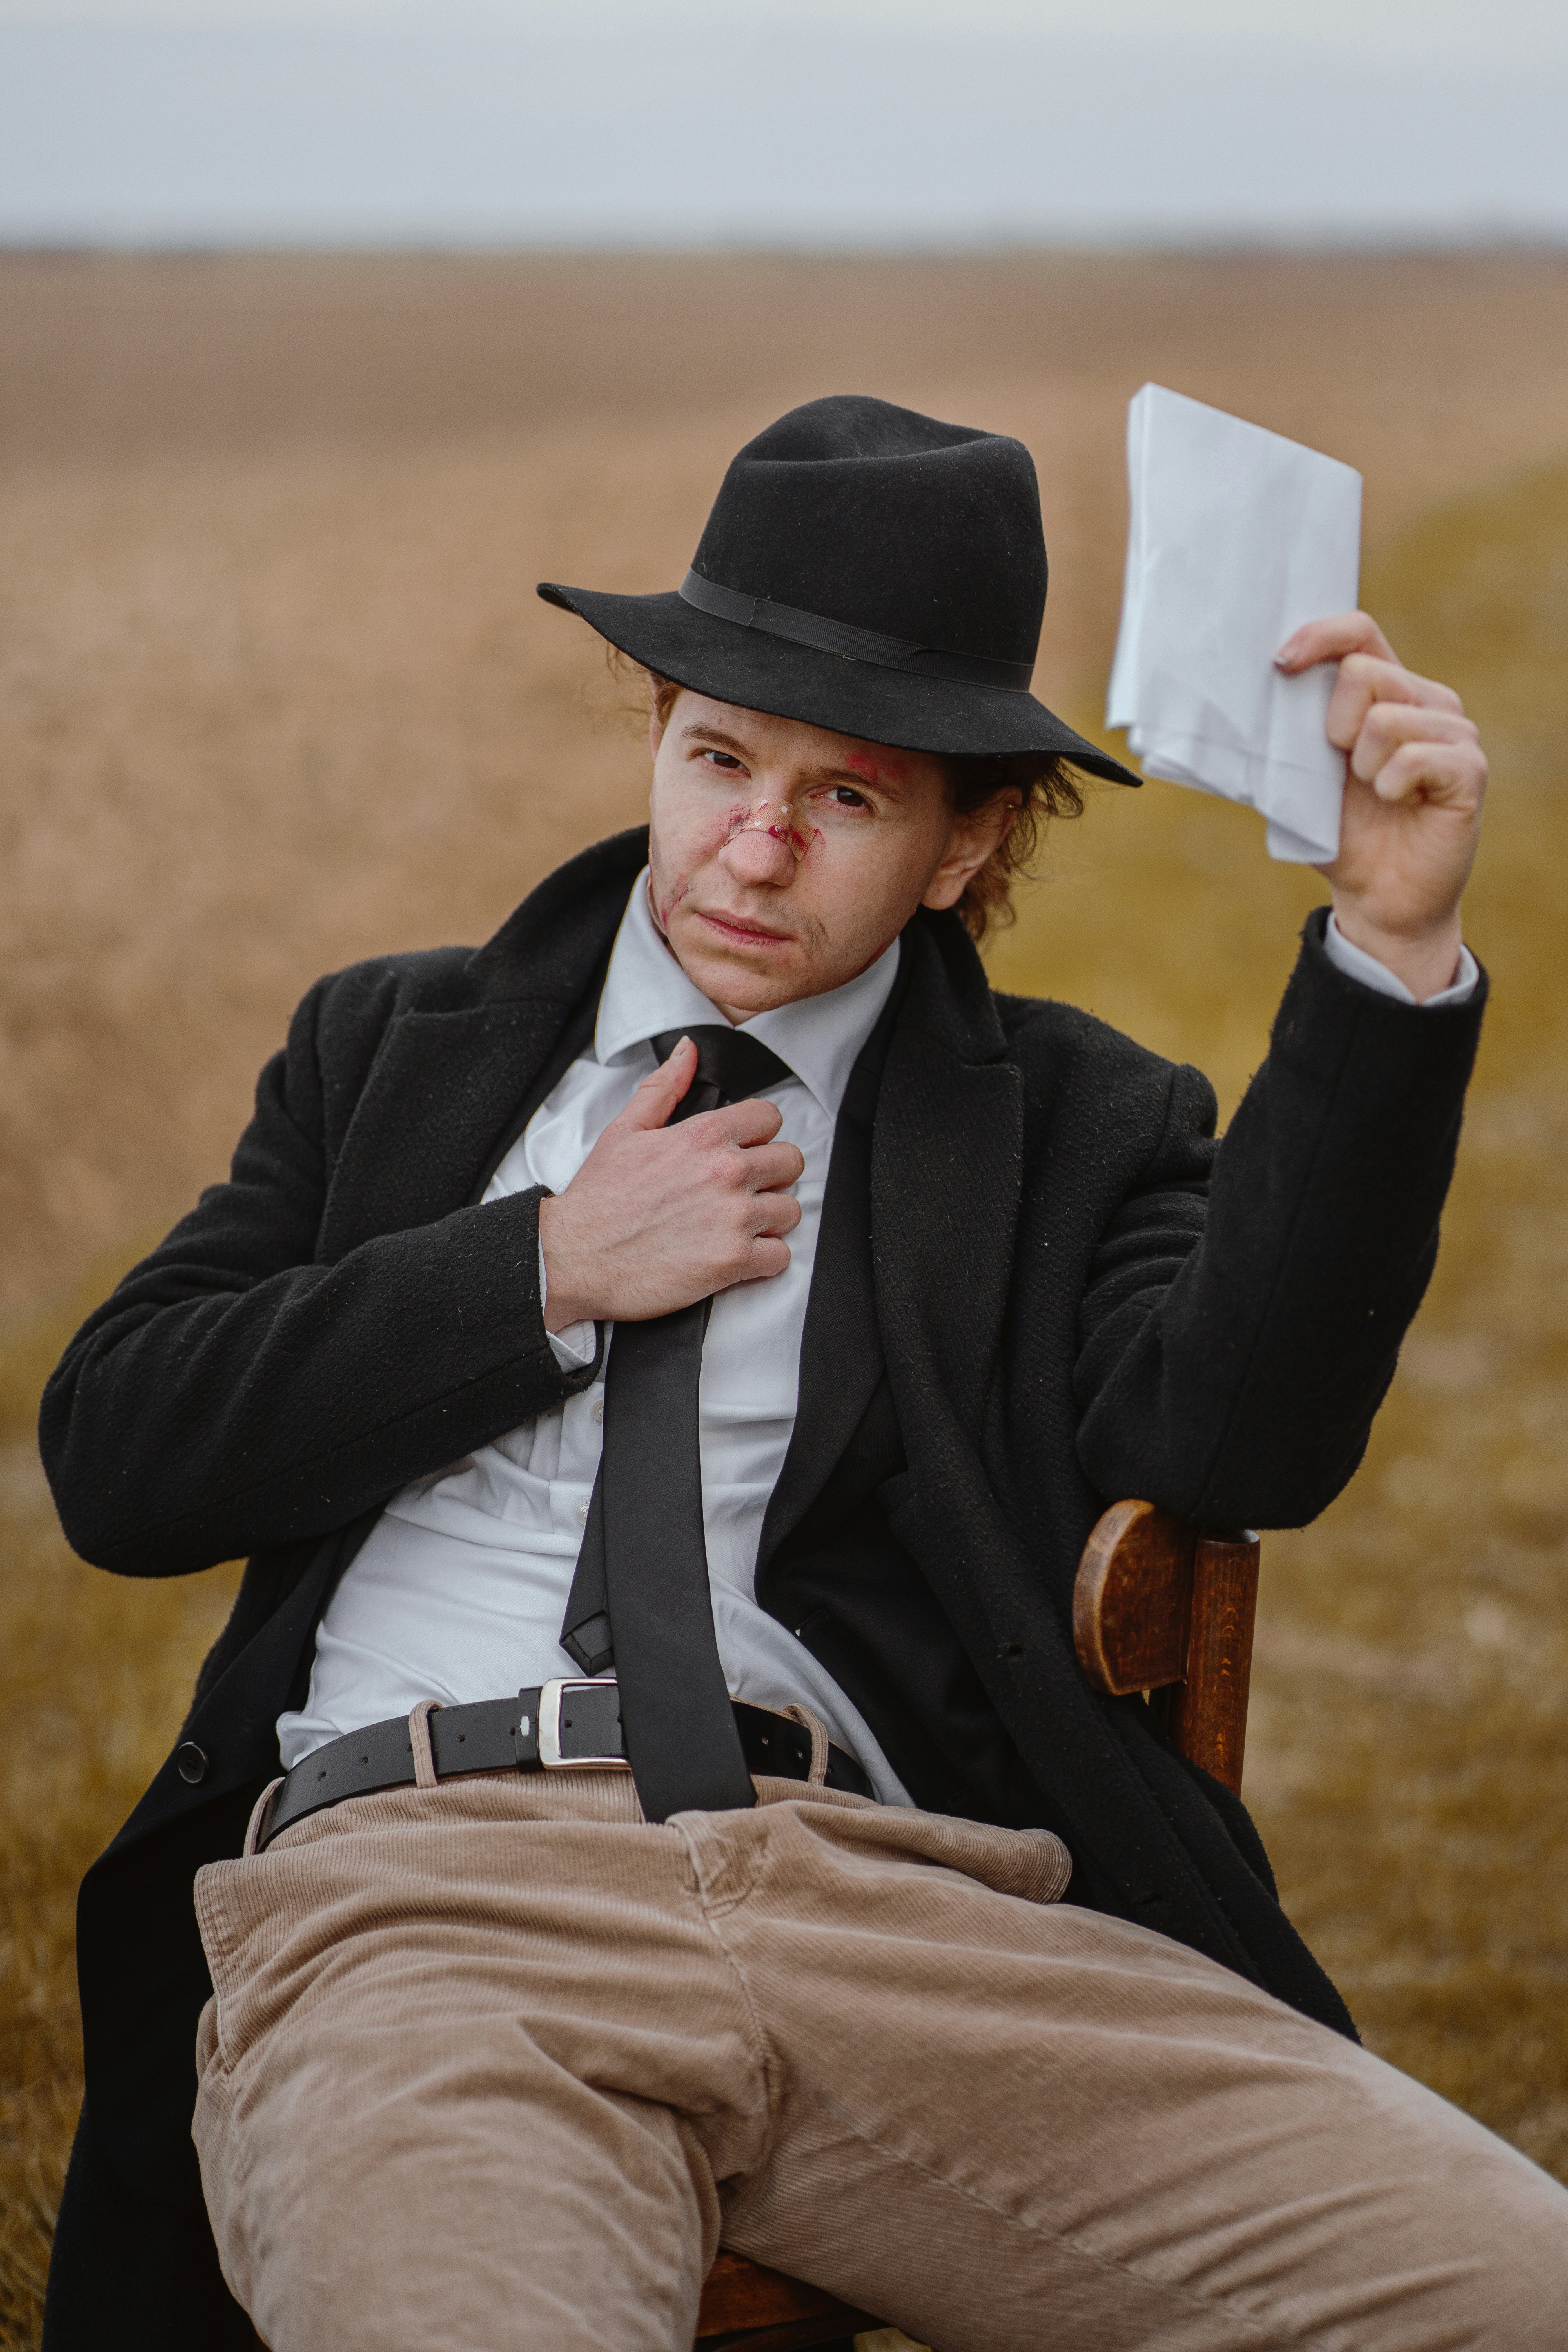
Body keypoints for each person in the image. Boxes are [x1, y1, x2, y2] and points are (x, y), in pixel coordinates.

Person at [40, 396, 1565, 2352]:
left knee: (1506, 2289)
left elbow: (1239, 1435)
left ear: (967, 844)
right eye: (716, 759)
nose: (751, 846)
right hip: (428, 1900)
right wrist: (543, 1270)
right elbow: (118, 1450)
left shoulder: (1079, 1125)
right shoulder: (396, 1055)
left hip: (904, 1909)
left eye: (845, 798)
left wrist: (1388, 945)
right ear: (660, 744)